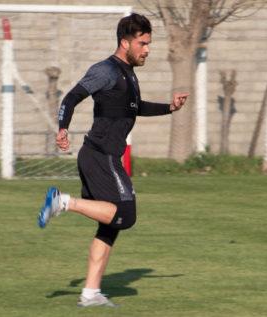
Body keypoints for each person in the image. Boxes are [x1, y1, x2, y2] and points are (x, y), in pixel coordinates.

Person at [38, 13, 188, 308]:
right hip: (101, 156)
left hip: (102, 156)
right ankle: (62, 201)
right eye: (143, 43)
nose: (147, 49)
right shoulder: (106, 70)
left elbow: (135, 107)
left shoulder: (129, 73)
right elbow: (71, 97)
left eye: (149, 43)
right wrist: (63, 127)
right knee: (126, 214)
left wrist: (169, 108)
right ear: (125, 42)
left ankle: (90, 293)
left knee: (110, 226)